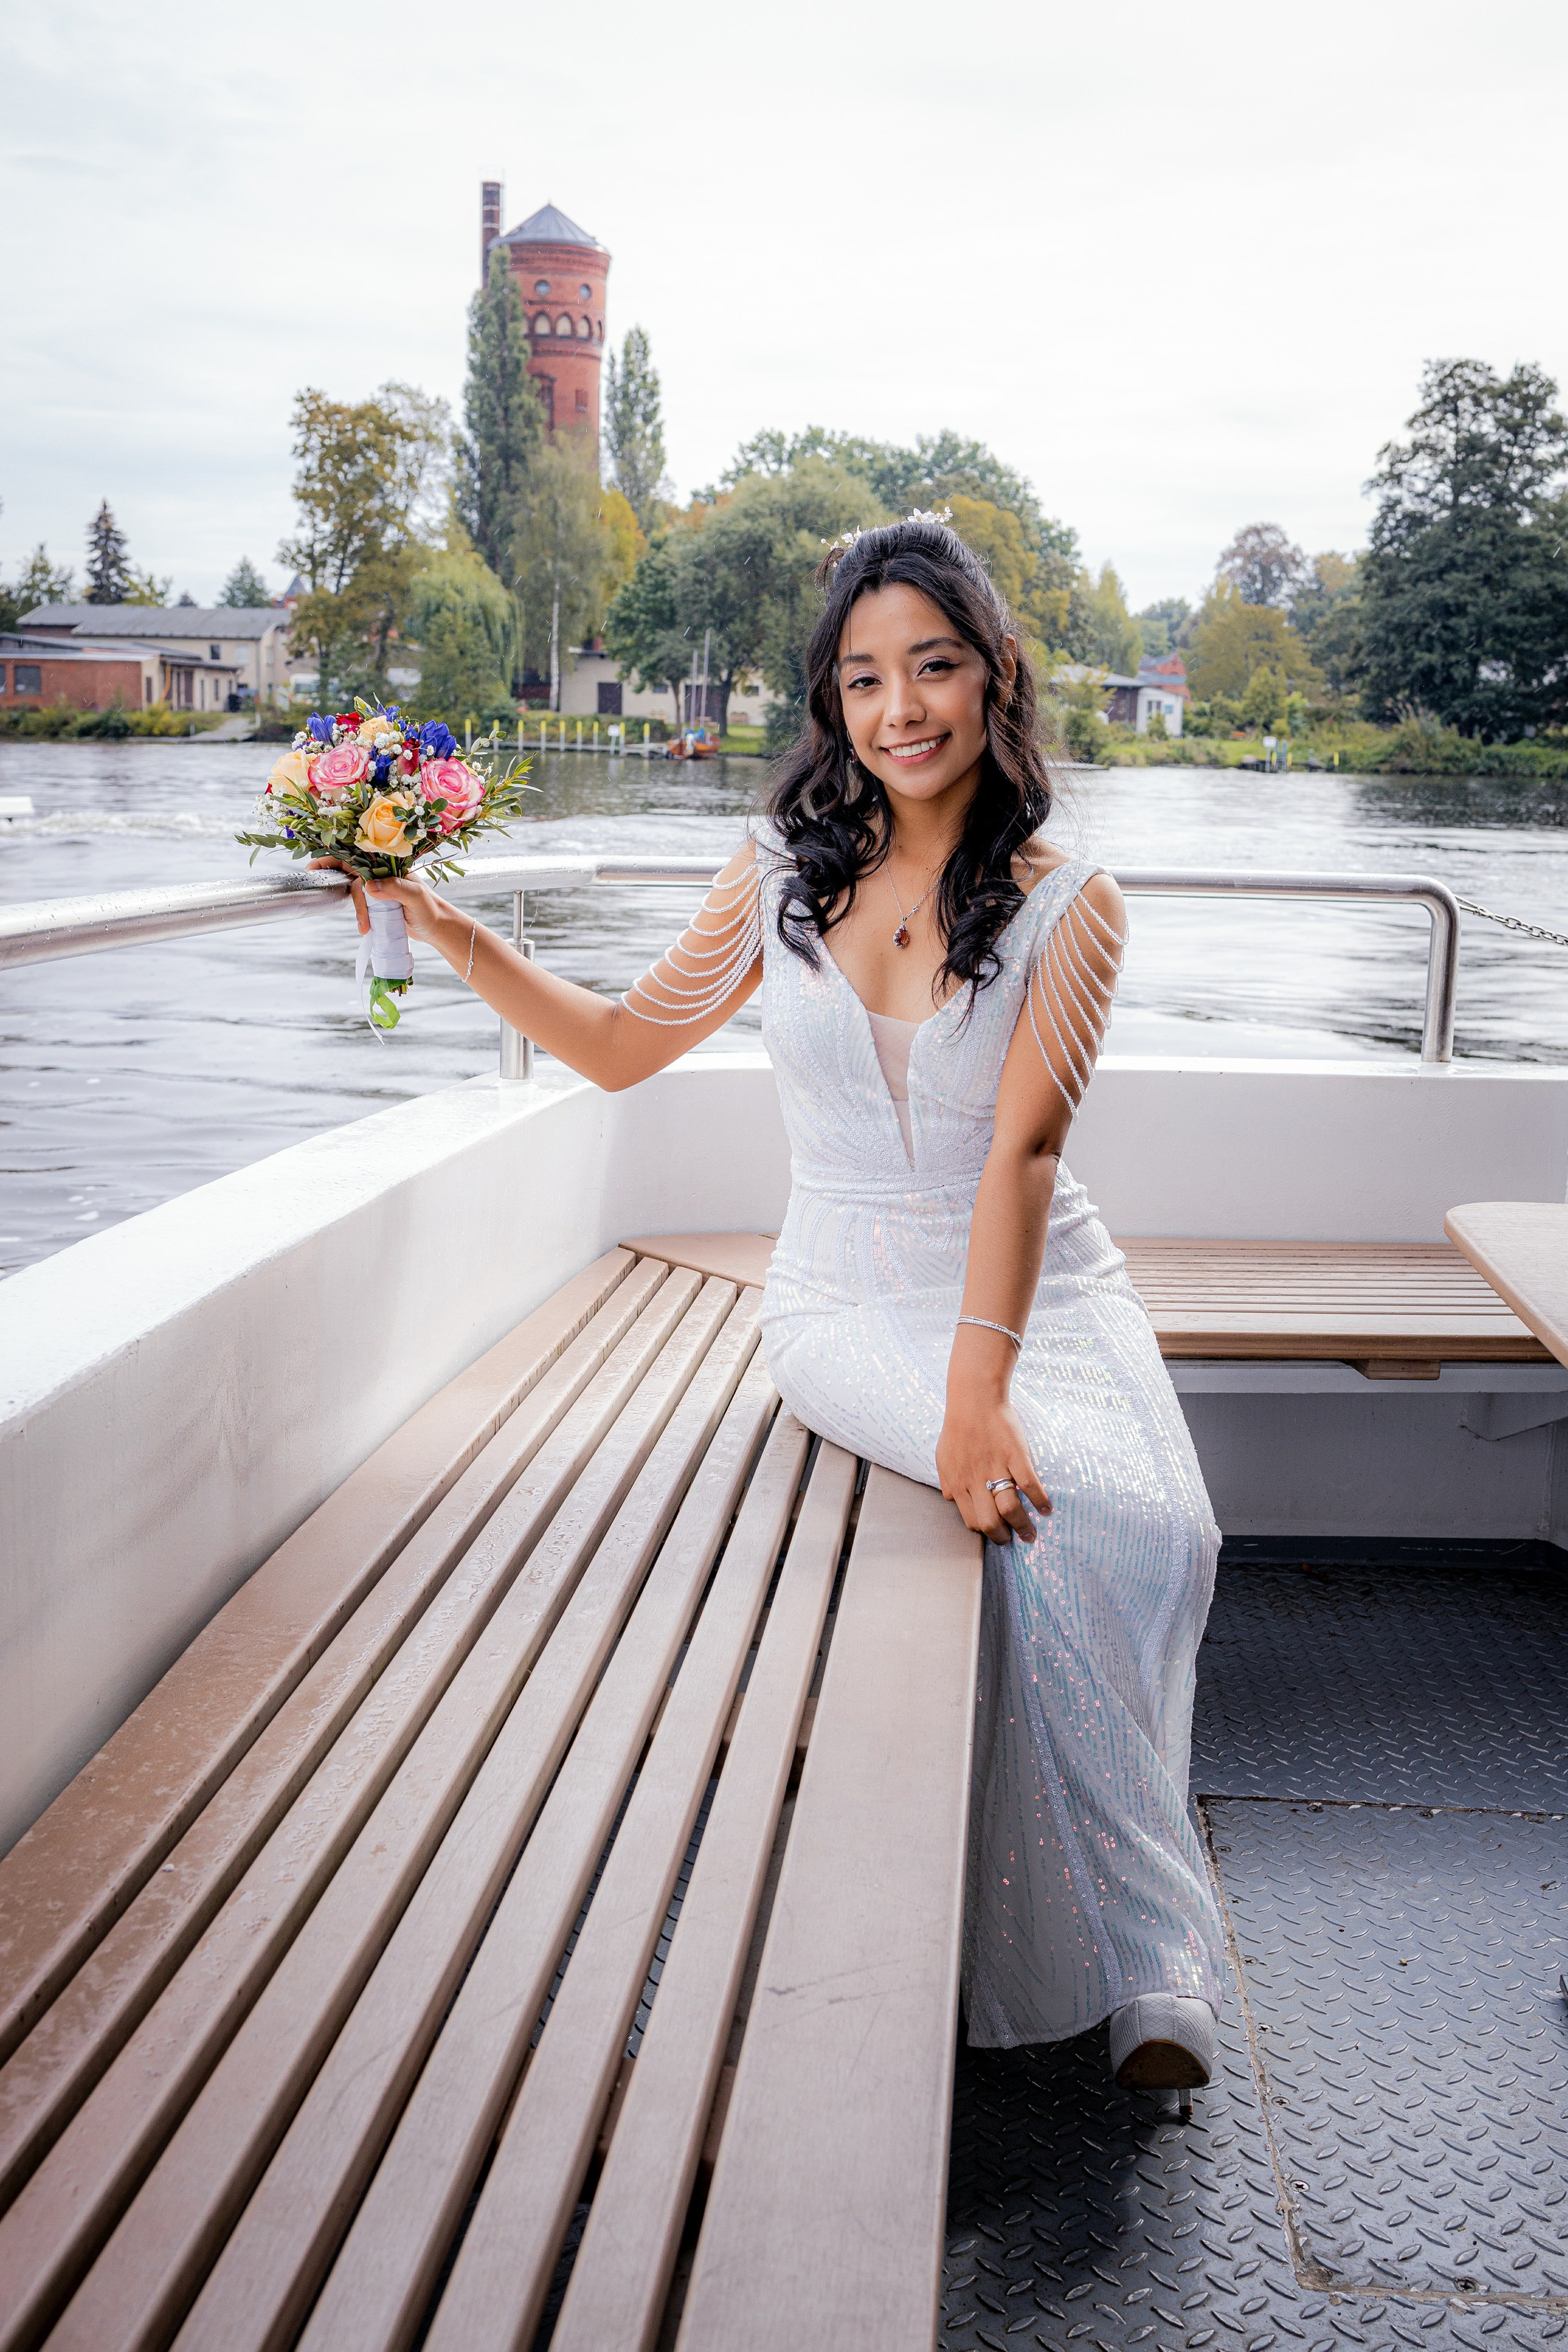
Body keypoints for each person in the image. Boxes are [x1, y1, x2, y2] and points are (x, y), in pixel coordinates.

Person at [331, 518, 1225, 2088]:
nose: (901, 710)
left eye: (932, 667)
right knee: (1046, 1510)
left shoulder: (1067, 899)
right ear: (830, 700)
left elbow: (1021, 1155)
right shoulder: (775, 876)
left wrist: (975, 1391)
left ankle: (1136, 1950)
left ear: (992, 671)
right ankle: (1143, 1960)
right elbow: (618, 1049)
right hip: (842, 1301)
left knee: (1157, 1527)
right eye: (863, 678)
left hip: (1037, 1296)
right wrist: (445, 925)